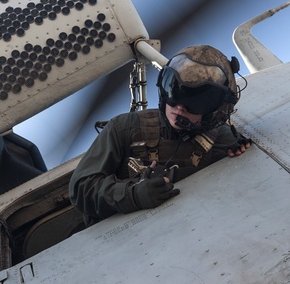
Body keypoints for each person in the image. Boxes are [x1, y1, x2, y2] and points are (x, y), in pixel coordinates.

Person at [69, 44, 251, 225]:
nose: (179, 107)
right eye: (174, 91)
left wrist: (238, 147)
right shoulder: (125, 127)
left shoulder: (219, 140)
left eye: (195, 101)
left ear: (215, 111)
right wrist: (133, 195)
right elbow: (81, 189)